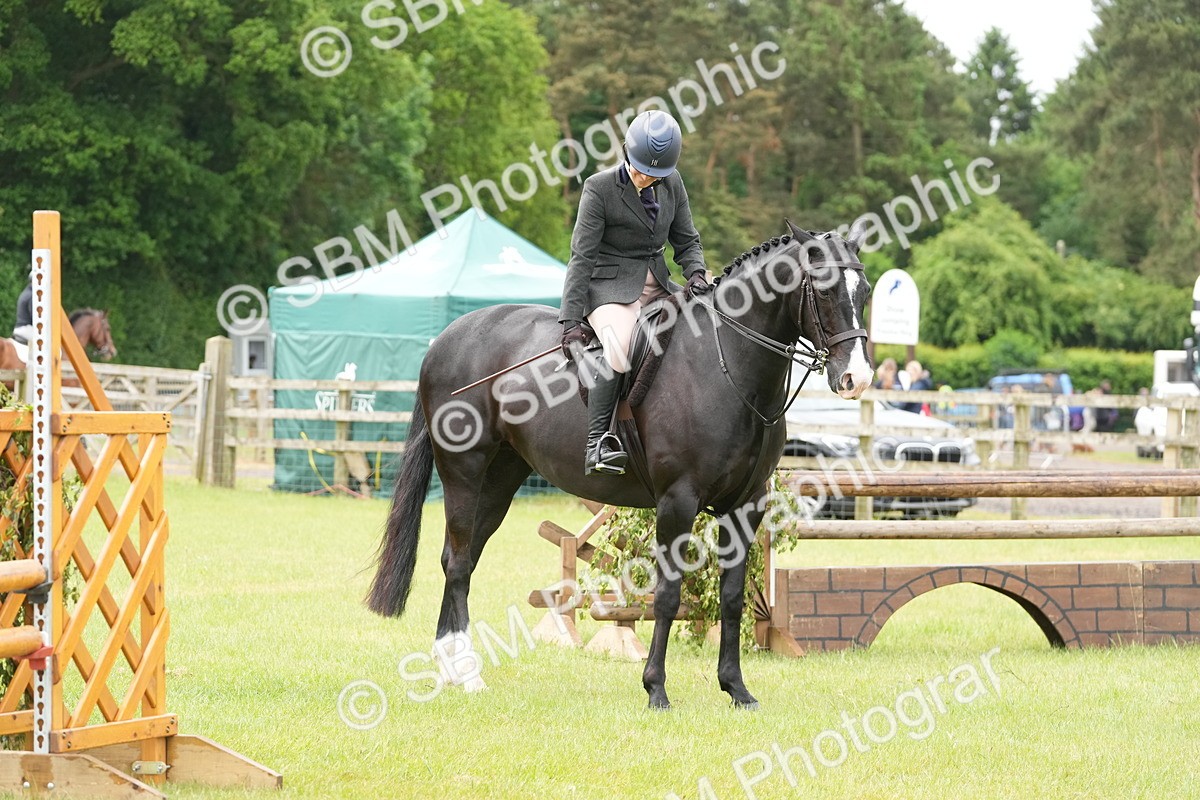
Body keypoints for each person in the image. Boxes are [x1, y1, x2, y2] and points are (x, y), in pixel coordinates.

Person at [558, 110, 710, 476]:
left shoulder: (672, 183)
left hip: (658, 282)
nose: (646, 177)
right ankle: (598, 442)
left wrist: (697, 273)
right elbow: (581, 257)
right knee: (621, 344)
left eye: (654, 174)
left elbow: (687, 240)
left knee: (700, 328)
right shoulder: (599, 187)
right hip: (608, 287)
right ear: (627, 152)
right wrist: (570, 320)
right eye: (641, 169)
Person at [11, 279, 32, 344]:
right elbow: (34, 317)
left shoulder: (25, 293)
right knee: (46, 342)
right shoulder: (32, 295)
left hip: (18, 328)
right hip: (27, 328)